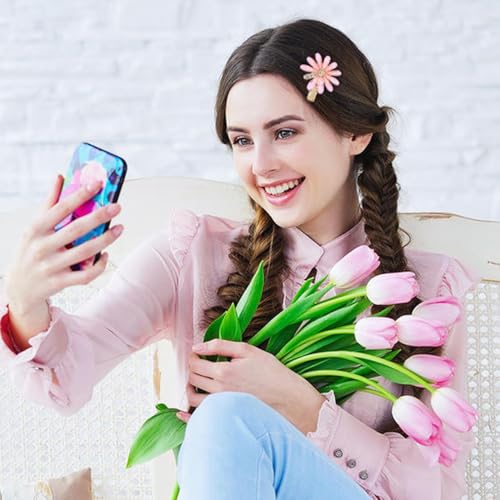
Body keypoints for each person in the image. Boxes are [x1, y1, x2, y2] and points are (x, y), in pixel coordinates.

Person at [0, 18, 480, 500]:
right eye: (243, 141)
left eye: (285, 132)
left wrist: (305, 409)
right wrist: (25, 301)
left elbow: (438, 489)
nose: (261, 165)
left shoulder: (426, 293)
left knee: (225, 415)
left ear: (355, 133)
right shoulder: (191, 255)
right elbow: (67, 377)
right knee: (225, 418)